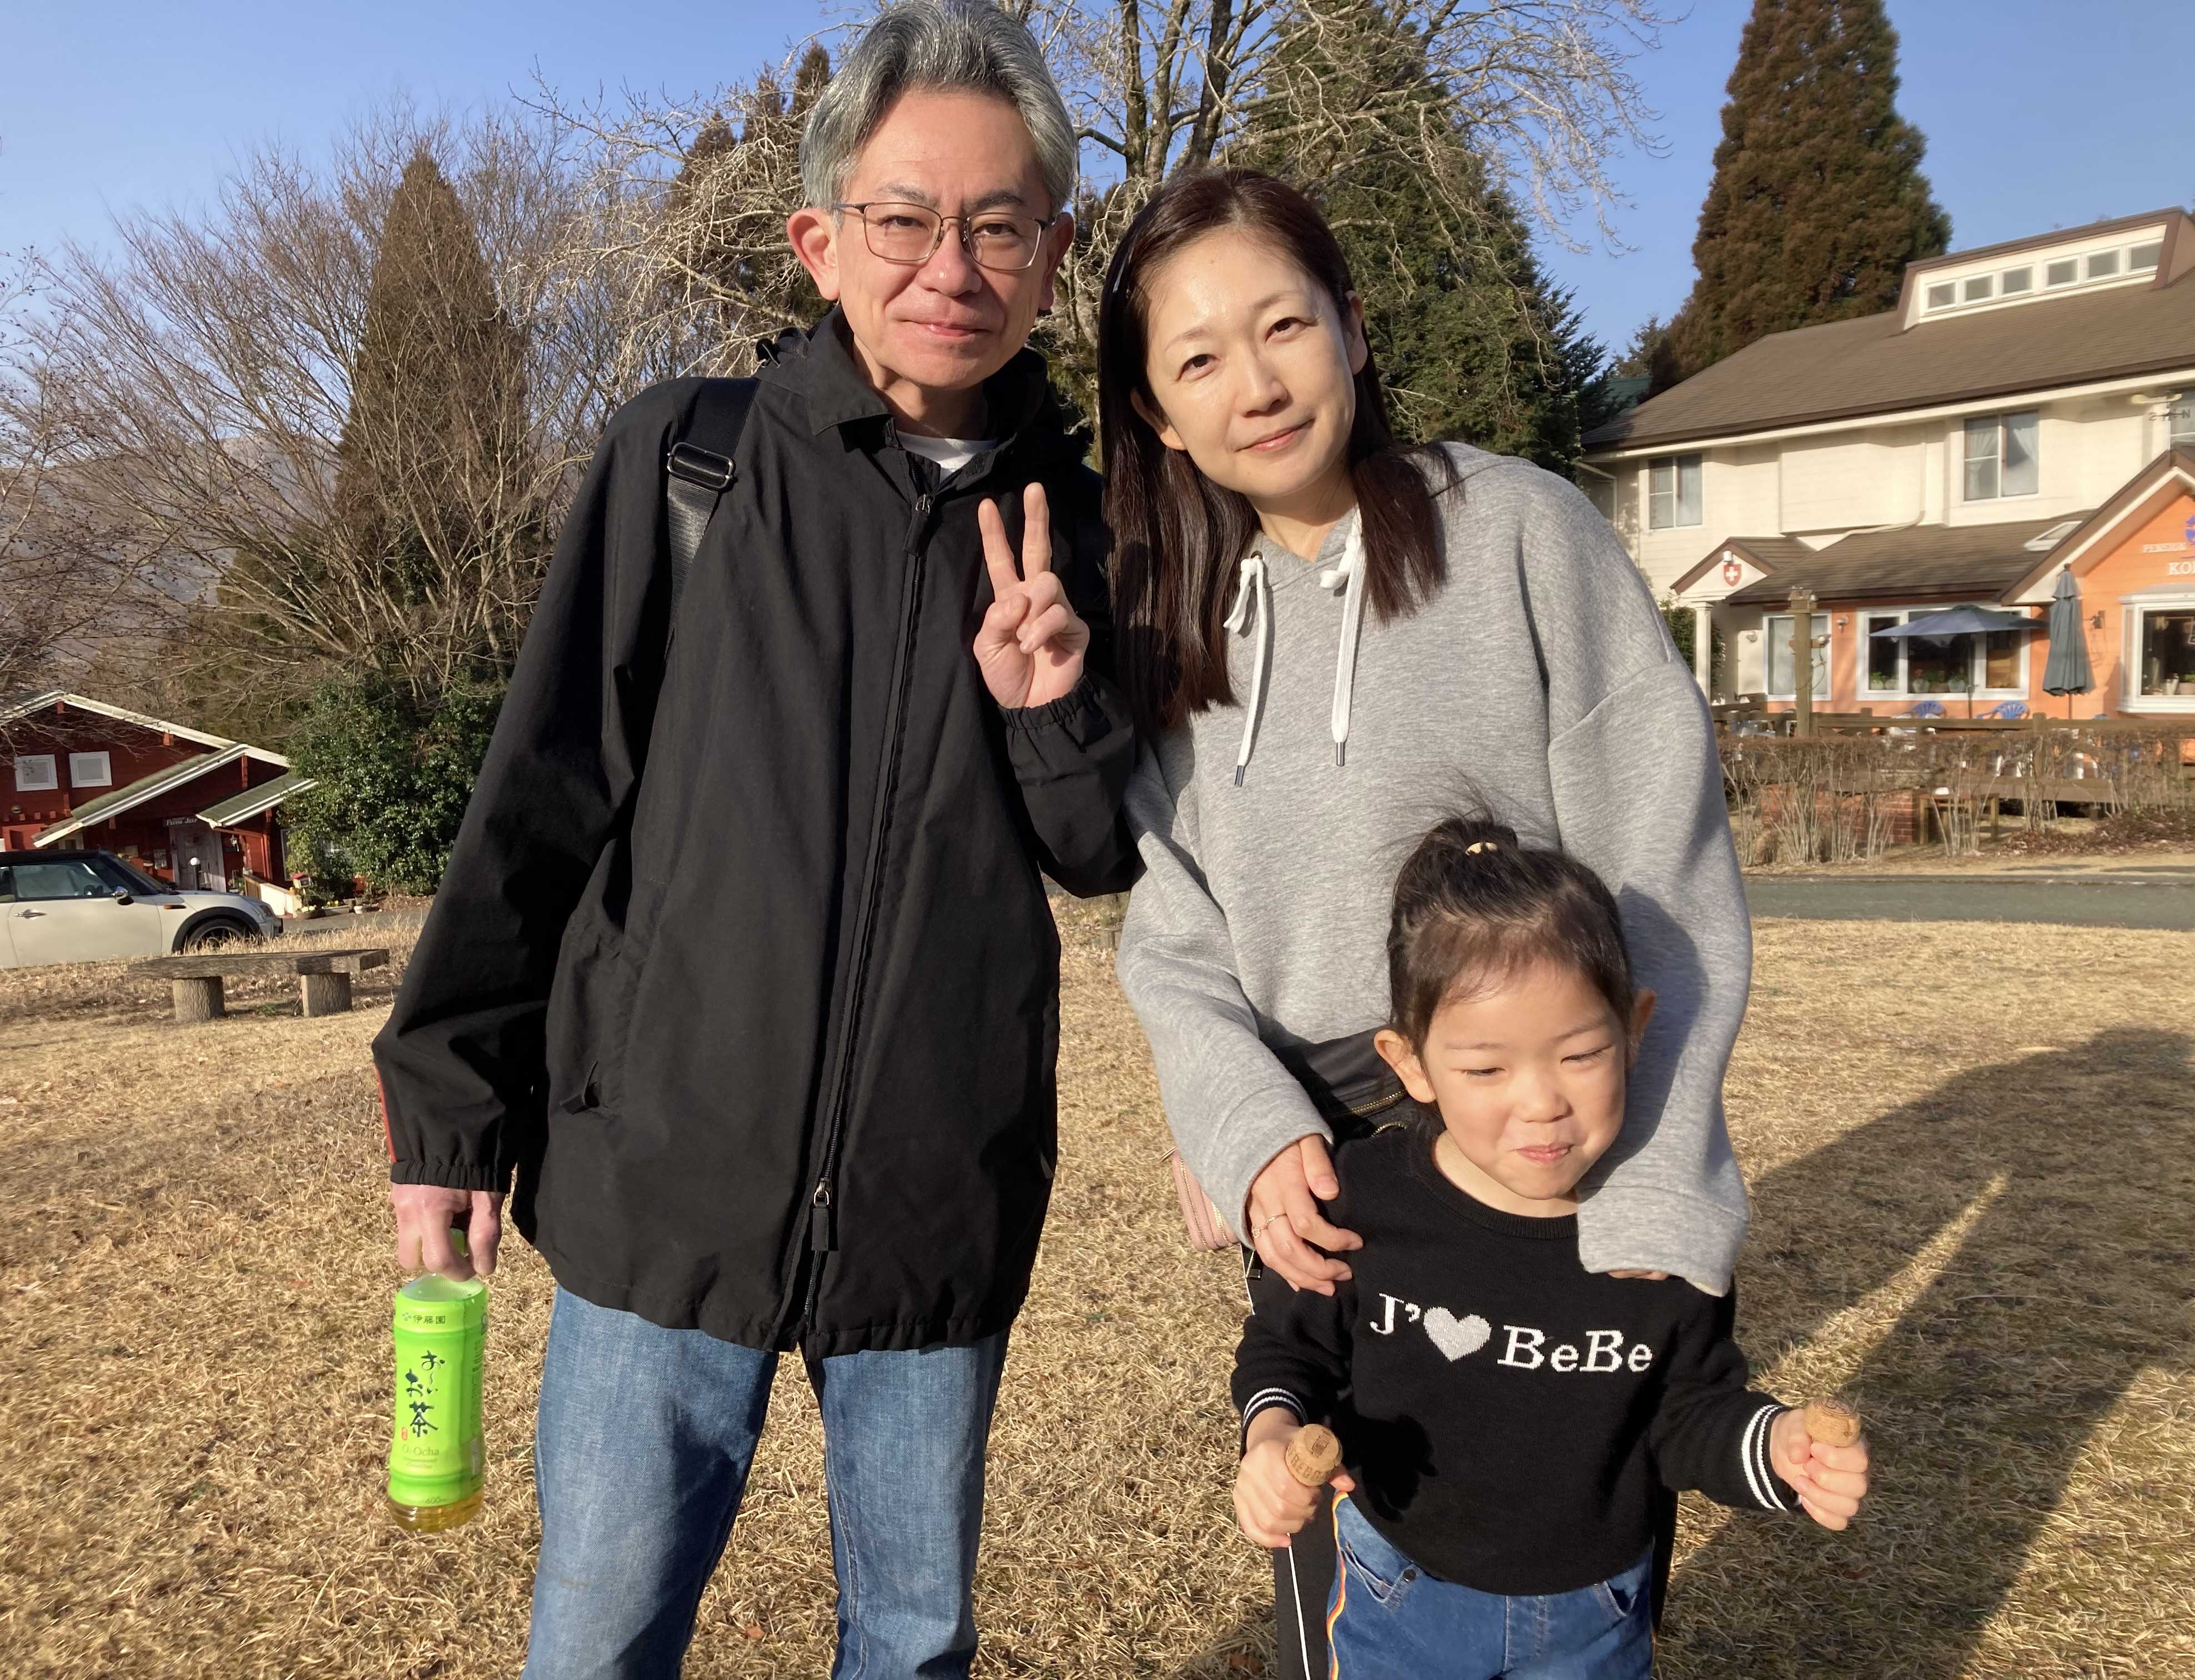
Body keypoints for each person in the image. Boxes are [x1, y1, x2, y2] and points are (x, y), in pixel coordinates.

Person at [370, 6, 1136, 1676]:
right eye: (905, 219)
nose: (953, 268)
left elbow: (1100, 854)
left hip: (935, 1202)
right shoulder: (691, 460)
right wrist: (449, 1108)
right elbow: (541, 794)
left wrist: (1052, 706)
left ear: (1057, 252)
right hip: (663, 1184)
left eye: (1001, 225)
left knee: (914, 1648)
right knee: (600, 1640)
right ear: (820, 241)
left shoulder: (1081, 525)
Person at [1099, 169, 1755, 1675]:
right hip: (1320, 1160)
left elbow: (1665, 868)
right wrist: (1233, 1122)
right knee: (1344, 1540)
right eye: (1199, 358)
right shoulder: (1170, 618)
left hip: (1527, 1116)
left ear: (1352, 326)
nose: (1257, 384)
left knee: (1566, 1541)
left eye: (1284, 325)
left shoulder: (1520, 529)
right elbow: (1173, 929)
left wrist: (1653, 1180)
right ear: (1156, 412)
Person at [1229, 816, 1871, 1679]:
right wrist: (1272, 1434)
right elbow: (1288, 1348)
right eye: (1485, 1069)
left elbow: (1685, 1412)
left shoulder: (1660, 1234)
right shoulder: (1367, 1201)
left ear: (1634, 1030)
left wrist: (1779, 1445)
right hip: (1395, 1591)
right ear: (1410, 1063)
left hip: (1594, 1616)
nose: (1541, 1104)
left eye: (1580, 1055)